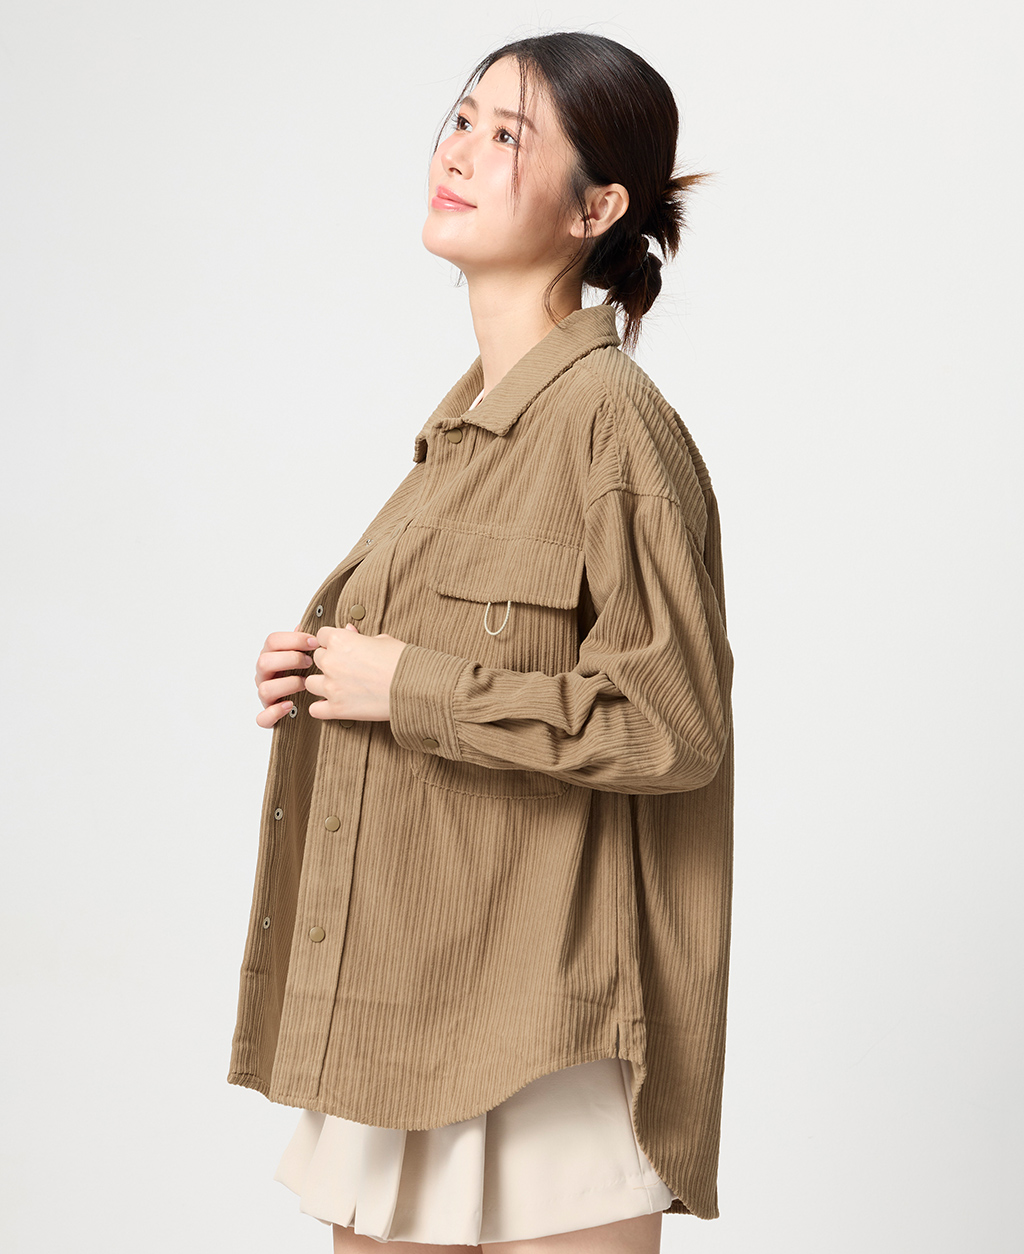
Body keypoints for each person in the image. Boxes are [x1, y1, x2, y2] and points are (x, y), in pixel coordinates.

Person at [229, 30, 734, 1254]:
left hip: (539, 1036)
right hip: (403, 1011)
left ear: (596, 208)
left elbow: (670, 729)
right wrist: (323, 674)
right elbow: (458, 675)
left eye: (506, 135)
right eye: (460, 119)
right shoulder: (457, 442)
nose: (456, 152)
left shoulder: (612, 425)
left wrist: (411, 684)